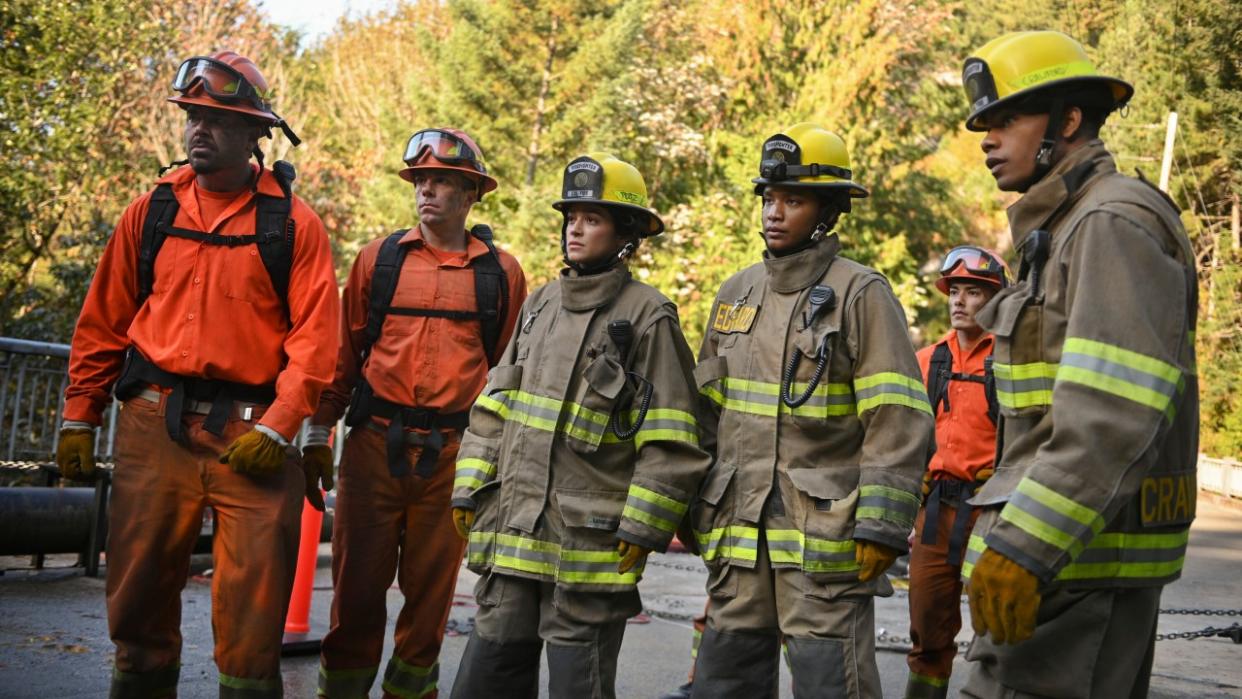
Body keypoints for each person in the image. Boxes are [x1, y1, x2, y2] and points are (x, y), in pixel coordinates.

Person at [54, 51, 339, 697]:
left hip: (252, 440)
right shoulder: (150, 211)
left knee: (253, 615)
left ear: (254, 135)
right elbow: (102, 320)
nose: (199, 131)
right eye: (192, 117)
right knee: (138, 600)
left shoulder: (294, 226)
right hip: (154, 424)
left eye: (217, 119)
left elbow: (317, 344)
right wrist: (80, 414)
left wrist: (280, 427)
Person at [958, 31, 1198, 698]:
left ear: (1067, 120)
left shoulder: (1111, 221)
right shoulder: (1061, 230)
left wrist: (1026, 543)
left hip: (1075, 572)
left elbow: (1112, 409)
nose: (986, 138)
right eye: (984, 123)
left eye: (1007, 119)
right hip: (1060, 571)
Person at [448, 153, 712, 699]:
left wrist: (642, 527)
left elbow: (672, 438)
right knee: (484, 680)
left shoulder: (648, 316)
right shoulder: (540, 304)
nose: (576, 228)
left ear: (626, 233)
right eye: (572, 217)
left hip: (587, 554)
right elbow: (495, 406)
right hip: (512, 540)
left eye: (592, 219)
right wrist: (469, 487)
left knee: (579, 687)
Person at [689, 123, 933, 698]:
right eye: (769, 199)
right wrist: (694, 509)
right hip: (738, 540)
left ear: (827, 212)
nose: (774, 213)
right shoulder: (735, 295)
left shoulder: (860, 294)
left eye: (792, 200)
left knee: (831, 687)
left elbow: (897, 420)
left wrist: (881, 525)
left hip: (824, 542)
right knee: (724, 684)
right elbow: (704, 415)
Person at [307, 128, 527, 698]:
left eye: (443, 182)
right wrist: (316, 432)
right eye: (421, 180)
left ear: (471, 193)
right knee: (354, 597)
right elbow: (344, 354)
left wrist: (497, 465)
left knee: (428, 604)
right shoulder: (378, 260)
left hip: (452, 460)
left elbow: (508, 374)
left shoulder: (500, 274)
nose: (427, 191)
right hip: (372, 450)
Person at [904, 246, 1009, 699]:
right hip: (934, 510)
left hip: (991, 512)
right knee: (927, 628)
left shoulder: (1010, 362)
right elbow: (904, 436)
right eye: (955, 291)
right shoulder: (929, 360)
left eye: (973, 292)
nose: (959, 301)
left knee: (998, 630)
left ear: (995, 301)